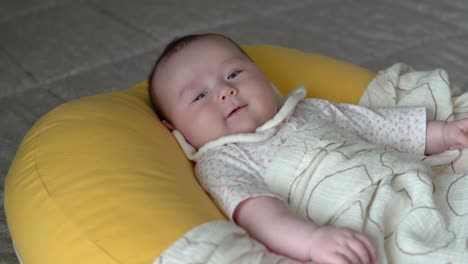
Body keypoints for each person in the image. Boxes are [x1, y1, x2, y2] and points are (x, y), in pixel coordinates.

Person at [148, 33, 468, 264]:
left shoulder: (308, 110)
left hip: (418, 185)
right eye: (199, 96)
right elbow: (261, 216)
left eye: (234, 74)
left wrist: (444, 134)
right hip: (365, 221)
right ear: (176, 131)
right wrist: (313, 241)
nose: (225, 92)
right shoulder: (223, 160)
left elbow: (377, 126)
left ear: (264, 78)